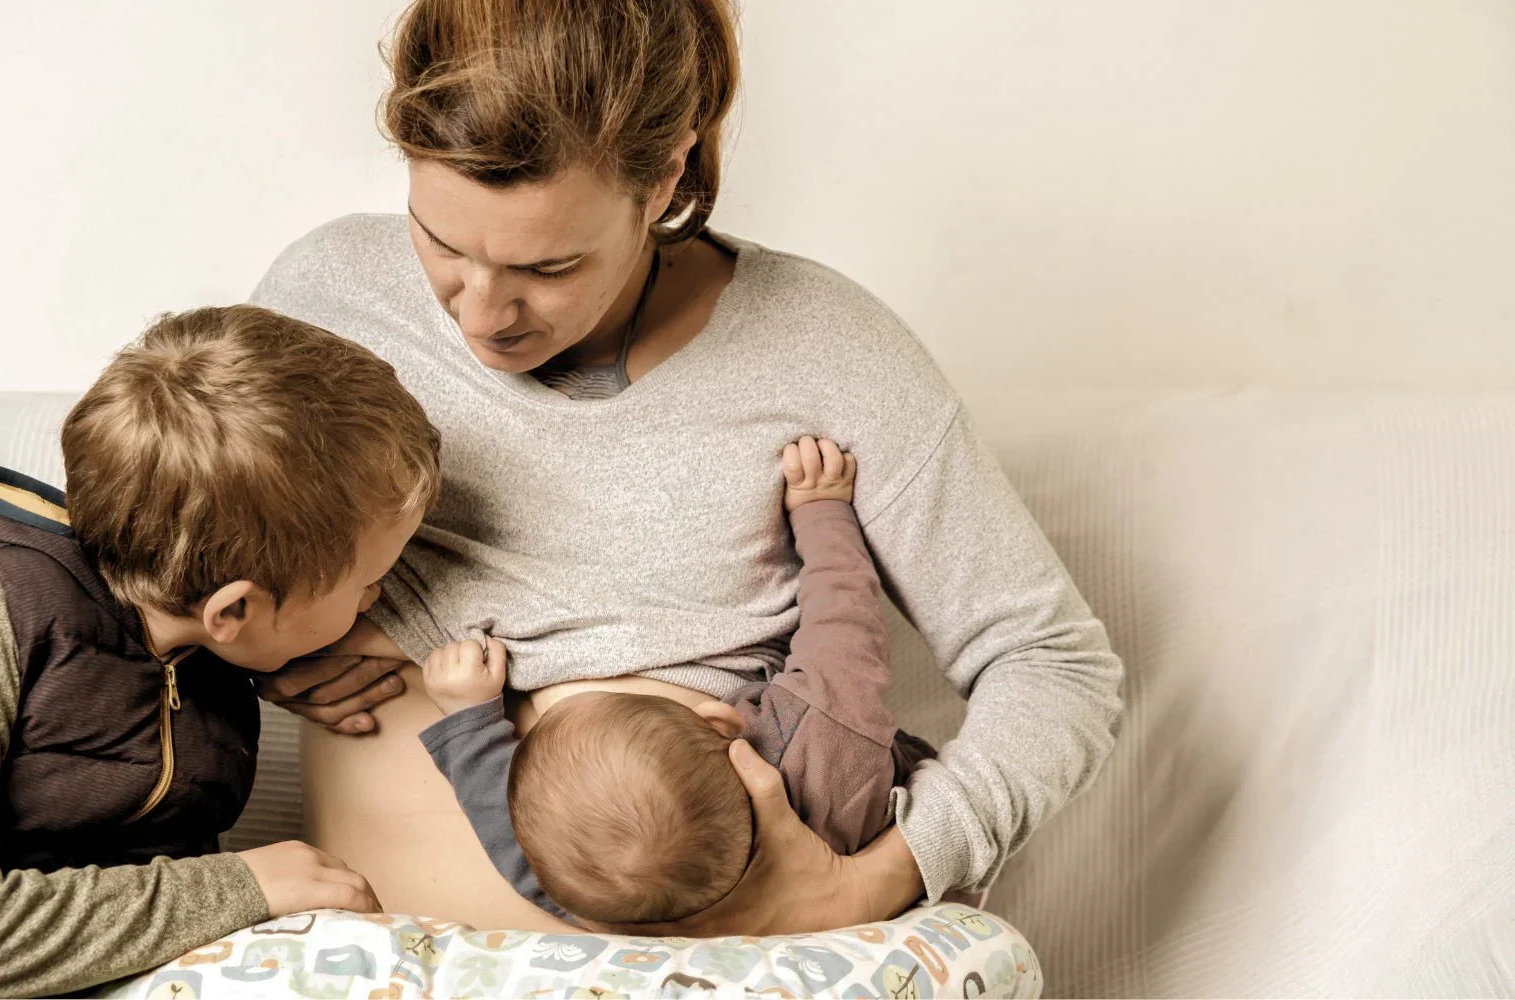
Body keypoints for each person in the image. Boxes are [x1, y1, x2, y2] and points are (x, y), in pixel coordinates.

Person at [253, 0, 1124, 934]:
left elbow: (1054, 666)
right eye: (442, 243)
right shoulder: (325, 298)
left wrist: (877, 882)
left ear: (664, 177)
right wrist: (258, 653)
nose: (481, 313)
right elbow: (154, 570)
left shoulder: (829, 348)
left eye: (549, 268)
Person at [0, 306, 436, 997]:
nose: (375, 602)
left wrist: (269, 665)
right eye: (369, 582)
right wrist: (242, 886)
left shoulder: (196, 655)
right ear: (234, 608)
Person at [416, 436, 941, 927]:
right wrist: (822, 510)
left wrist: (470, 714)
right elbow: (845, 620)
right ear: (720, 721)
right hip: (875, 845)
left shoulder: (588, 891)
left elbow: (497, 811)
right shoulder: (822, 734)